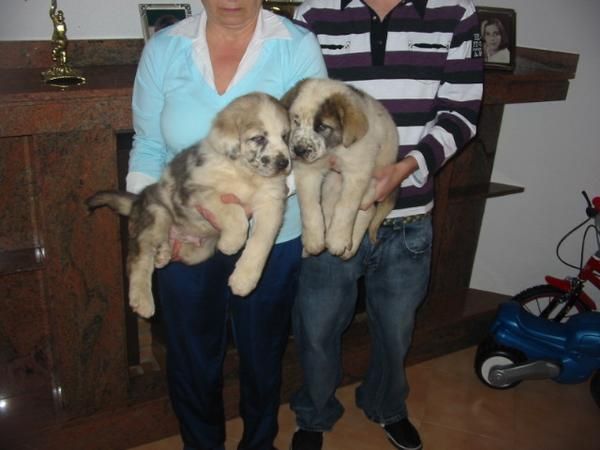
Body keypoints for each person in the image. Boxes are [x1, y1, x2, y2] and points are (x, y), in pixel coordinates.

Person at [126, 0, 327, 449]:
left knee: (261, 355)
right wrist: (153, 219)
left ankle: (258, 443)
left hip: (270, 234)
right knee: (192, 358)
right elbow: (148, 145)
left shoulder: (295, 45)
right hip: (185, 229)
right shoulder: (165, 48)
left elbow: (310, 143)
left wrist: (251, 204)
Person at [288, 1, 483, 449]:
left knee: (396, 330)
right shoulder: (313, 12)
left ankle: (385, 406)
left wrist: (405, 168)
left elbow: (462, 111)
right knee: (316, 328)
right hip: (334, 205)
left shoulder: (456, 11)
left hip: (408, 213)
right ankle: (314, 415)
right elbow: (301, 105)